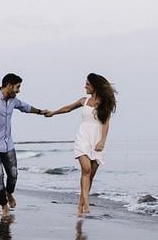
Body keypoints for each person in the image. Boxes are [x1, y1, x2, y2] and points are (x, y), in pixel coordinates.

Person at [0, 73, 47, 216]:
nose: (19, 90)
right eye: (17, 87)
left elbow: (25, 107)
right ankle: (4, 206)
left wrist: (40, 112)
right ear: (9, 85)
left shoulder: (13, 100)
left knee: (13, 175)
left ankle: (9, 193)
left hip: (8, 145)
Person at [44, 73, 117, 215]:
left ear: (95, 86)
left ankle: (80, 206)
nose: (85, 86)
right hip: (82, 138)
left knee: (90, 176)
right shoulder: (84, 101)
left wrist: (102, 142)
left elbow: (106, 123)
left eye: (87, 84)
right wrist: (53, 112)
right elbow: (68, 108)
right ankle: (87, 204)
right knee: (86, 169)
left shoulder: (105, 103)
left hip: (96, 141)